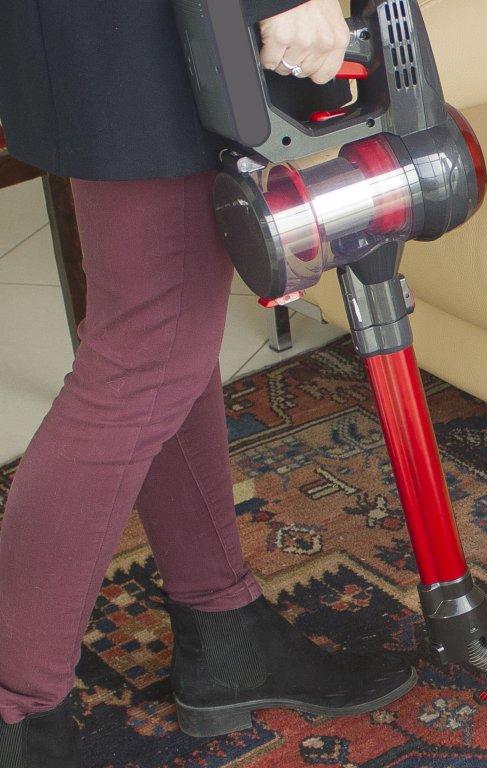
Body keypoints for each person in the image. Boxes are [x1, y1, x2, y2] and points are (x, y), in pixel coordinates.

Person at [0, 1, 415, 764]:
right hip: (143, 30)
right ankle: (15, 708)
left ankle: (224, 633)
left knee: (167, 340)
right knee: (141, 359)